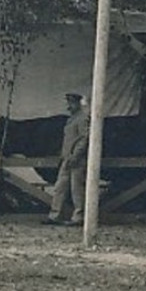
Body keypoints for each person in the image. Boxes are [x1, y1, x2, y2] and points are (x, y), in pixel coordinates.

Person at [43, 91, 89, 226]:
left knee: (76, 189)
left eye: (72, 103)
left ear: (77, 103)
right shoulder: (72, 119)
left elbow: (83, 139)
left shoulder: (82, 118)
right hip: (67, 158)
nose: (69, 106)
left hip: (76, 159)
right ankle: (54, 215)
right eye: (68, 102)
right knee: (60, 187)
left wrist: (76, 155)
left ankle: (78, 217)